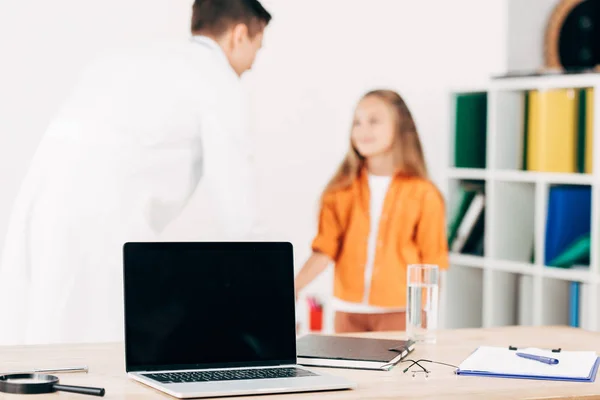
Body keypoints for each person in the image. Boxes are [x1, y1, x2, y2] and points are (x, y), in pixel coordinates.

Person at [0, 0, 271, 345]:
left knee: (41, 351)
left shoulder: (125, 60)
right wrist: (269, 301)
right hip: (99, 225)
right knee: (99, 356)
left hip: (37, 207)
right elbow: (238, 211)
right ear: (239, 35)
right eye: (257, 49)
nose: (251, 66)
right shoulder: (218, 81)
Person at [294, 89, 449, 333]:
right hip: (347, 313)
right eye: (357, 122)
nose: (362, 129)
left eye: (374, 121)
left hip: (400, 313)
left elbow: (432, 262)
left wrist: (426, 325)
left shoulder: (424, 194)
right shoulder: (339, 191)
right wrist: (293, 287)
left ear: (400, 128)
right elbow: (324, 250)